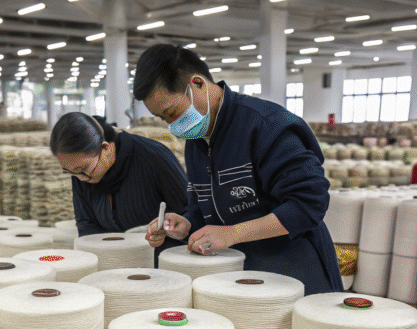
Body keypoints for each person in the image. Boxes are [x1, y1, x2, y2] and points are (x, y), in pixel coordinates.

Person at [133, 44, 343, 295]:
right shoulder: (196, 142)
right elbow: (204, 208)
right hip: (238, 275)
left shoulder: (266, 124)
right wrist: (187, 224)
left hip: (293, 271)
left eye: (172, 112)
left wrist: (234, 233)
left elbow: (309, 204)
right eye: (163, 118)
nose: (172, 125)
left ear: (198, 84)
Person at [50, 112, 188, 238]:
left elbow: (188, 212)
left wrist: (165, 230)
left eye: (84, 169)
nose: (82, 179)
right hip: (110, 253)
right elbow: (86, 223)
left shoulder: (153, 157)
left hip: (159, 251)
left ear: (105, 148)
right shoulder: (79, 170)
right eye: (71, 172)